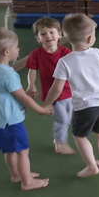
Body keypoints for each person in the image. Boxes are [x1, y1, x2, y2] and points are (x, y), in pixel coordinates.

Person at [0, 27, 53, 191]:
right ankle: (27, 182)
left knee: (10, 150)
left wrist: (25, 93)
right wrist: (41, 110)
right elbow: (22, 97)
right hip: (11, 121)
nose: (19, 49)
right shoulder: (8, 74)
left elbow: (11, 93)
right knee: (22, 151)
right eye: (16, 47)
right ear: (7, 52)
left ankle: (16, 175)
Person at [43, 14, 99, 178]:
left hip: (85, 106)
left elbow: (57, 88)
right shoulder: (97, 53)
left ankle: (92, 166)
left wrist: (47, 103)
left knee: (79, 136)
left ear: (66, 38)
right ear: (90, 38)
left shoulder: (65, 61)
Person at [25, 17, 75, 155]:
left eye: (51, 32)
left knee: (67, 119)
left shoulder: (65, 52)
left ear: (59, 35)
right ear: (38, 38)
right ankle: (60, 142)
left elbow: (74, 70)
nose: (48, 36)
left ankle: (59, 139)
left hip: (68, 93)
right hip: (52, 94)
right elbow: (32, 71)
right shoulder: (36, 54)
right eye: (43, 34)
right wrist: (31, 85)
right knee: (62, 120)